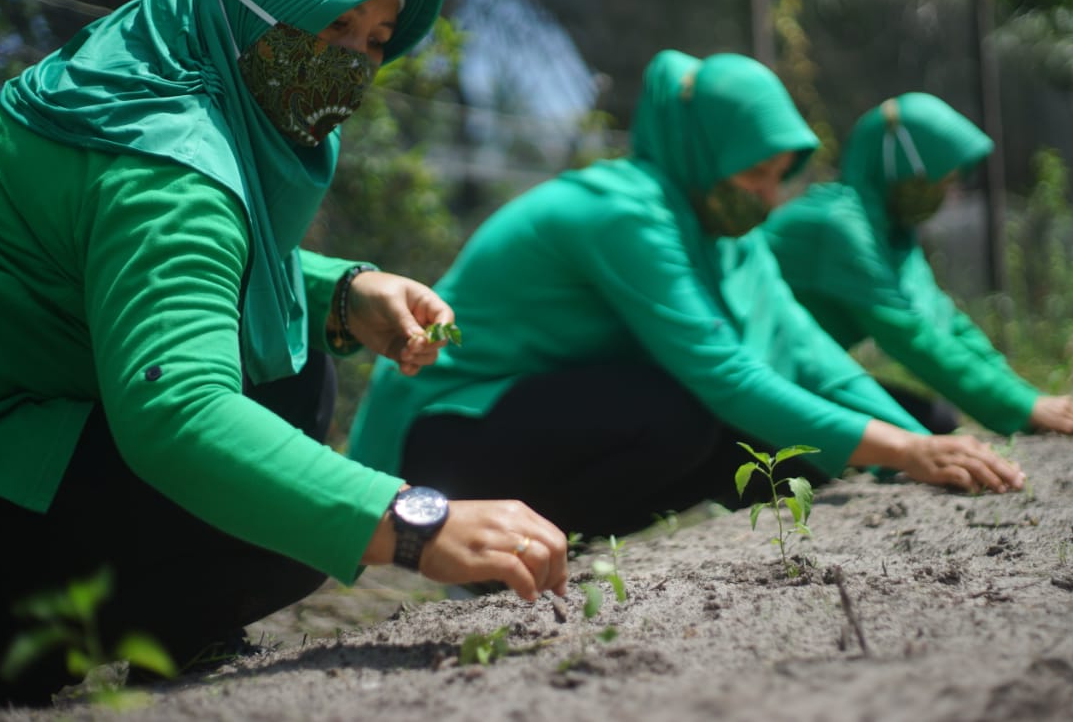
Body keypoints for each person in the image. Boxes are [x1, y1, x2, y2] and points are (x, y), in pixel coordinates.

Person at [0, 0, 567, 707]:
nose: (353, 63)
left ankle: (144, 629)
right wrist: (412, 522)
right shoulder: (166, 159)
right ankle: (25, 641)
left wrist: (338, 289)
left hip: (27, 412)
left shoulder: (170, 43)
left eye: (375, 39)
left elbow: (143, 263)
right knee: (295, 495)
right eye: (333, 22)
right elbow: (174, 406)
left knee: (294, 375)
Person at [349, 50, 1025, 540]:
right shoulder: (627, 212)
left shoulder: (719, 221)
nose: (769, 194)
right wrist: (907, 453)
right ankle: (495, 546)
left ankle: (539, 539)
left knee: (763, 431)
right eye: (754, 172)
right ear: (704, 150)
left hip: (540, 413)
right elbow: (724, 374)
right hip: (440, 428)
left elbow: (801, 347)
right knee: (687, 414)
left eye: (777, 176)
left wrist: (914, 444)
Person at [762, 93, 1073, 437]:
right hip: (763, 381)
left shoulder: (891, 232)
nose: (945, 194)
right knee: (918, 429)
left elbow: (942, 321)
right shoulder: (839, 227)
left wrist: (1028, 397)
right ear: (901, 169)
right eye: (938, 181)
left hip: (799, 376)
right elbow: (910, 336)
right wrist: (1022, 408)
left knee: (936, 421)